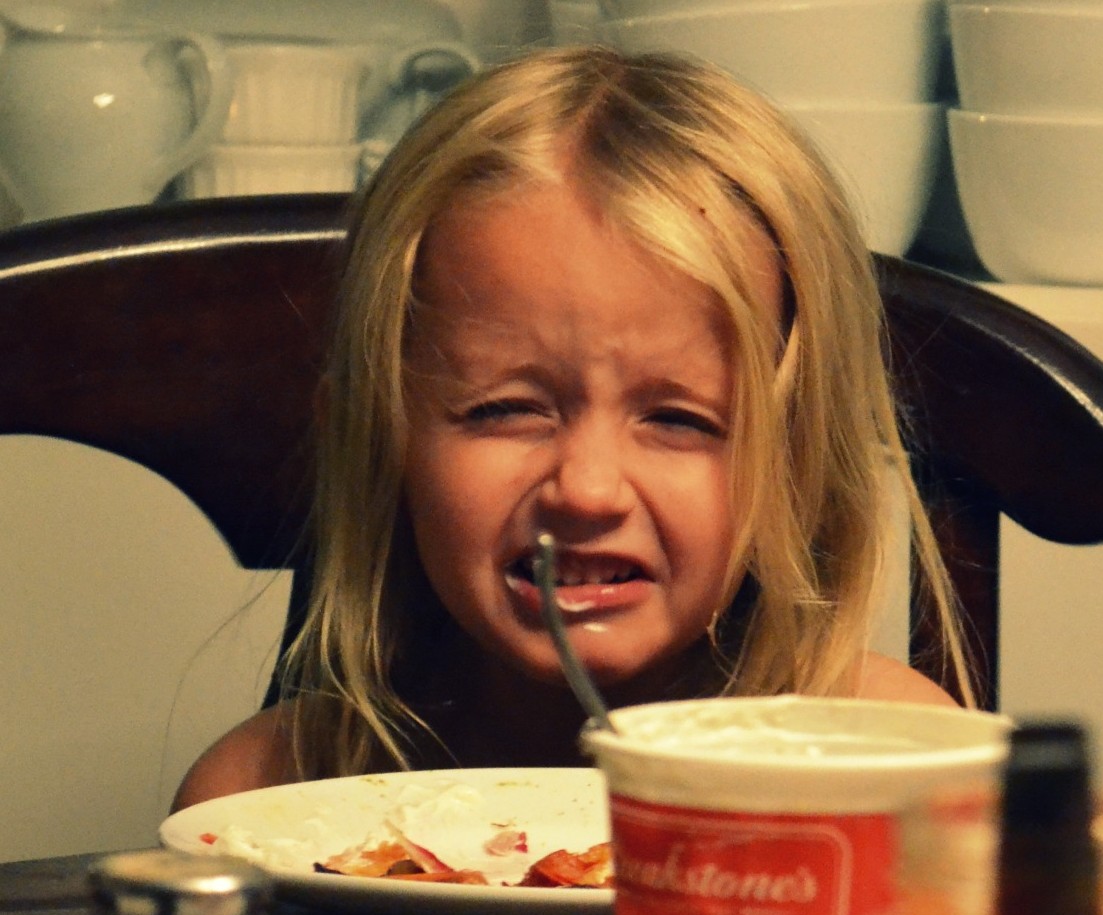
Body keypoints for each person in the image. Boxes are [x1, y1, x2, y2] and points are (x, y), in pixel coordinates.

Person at [171, 45, 976, 810]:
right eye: (503, 410)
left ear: (802, 459)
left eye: (678, 419)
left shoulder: (899, 775)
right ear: (376, 441)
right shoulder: (261, 799)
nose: (586, 490)